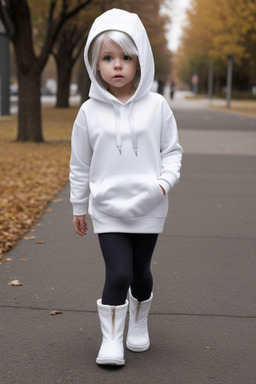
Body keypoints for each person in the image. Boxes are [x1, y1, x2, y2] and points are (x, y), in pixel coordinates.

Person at [69, 8, 183, 367]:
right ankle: (112, 341)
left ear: (139, 61)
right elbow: (80, 163)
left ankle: (138, 321)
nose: (117, 65)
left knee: (139, 273)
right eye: (107, 58)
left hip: (149, 205)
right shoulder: (88, 112)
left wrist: (163, 185)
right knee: (117, 273)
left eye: (125, 57)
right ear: (95, 64)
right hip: (107, 207)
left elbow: (173, 153)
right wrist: (78, 205)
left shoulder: (157, 106)